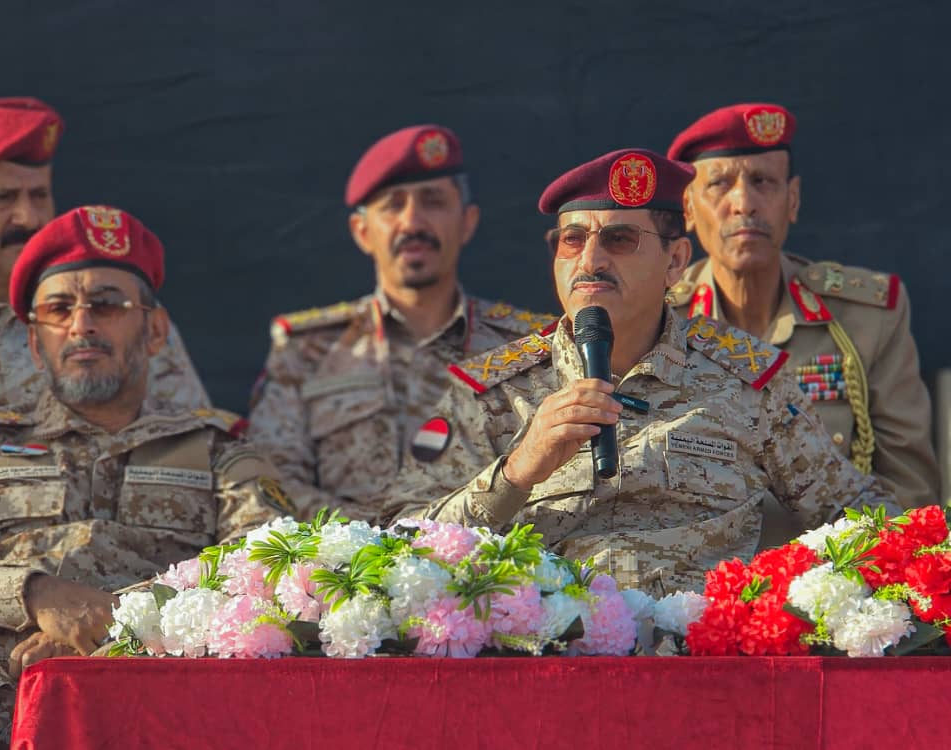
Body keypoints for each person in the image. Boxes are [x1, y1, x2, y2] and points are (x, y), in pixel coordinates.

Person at [385, 148, 897, 594]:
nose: (590, 261)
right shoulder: (491, 393)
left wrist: (815, 602)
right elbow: (399, 550)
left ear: (675, 261)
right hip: (548, 658)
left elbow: (859, 513)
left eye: (620, 239)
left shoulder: (747, 383)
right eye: (572, 240)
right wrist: (517, 471)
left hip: (704, 657)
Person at [0, 206, 291, 749]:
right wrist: (33, 596)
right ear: (34, 342)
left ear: (155, 331)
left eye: (107, 305)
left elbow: (274, 569)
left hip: (164, 694)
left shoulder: (218, 451)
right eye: (58, 308)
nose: (81, 324)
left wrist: (119, 624)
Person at [0, 97, 209, 473]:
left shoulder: (125, 319)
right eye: (2, 198)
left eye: (39, 195)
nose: (29, 218)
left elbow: (197, 459)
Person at [248, 124, 556, 523]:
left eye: (433, 202)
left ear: (467, 222)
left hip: (488, 555)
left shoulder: (526, 347)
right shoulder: (307, 350)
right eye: (393, 206)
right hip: (339, 557)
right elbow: (271, 479)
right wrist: (371, 544)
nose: (412, 222)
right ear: (362, 232)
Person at [664, 103, 937, 527]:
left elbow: (908, 492)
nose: (744, 203)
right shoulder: (661, 320)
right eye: (719, 183)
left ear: (792, 200)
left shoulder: (865, 319)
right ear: (687, 209)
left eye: (763, 182)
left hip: (836, 562)